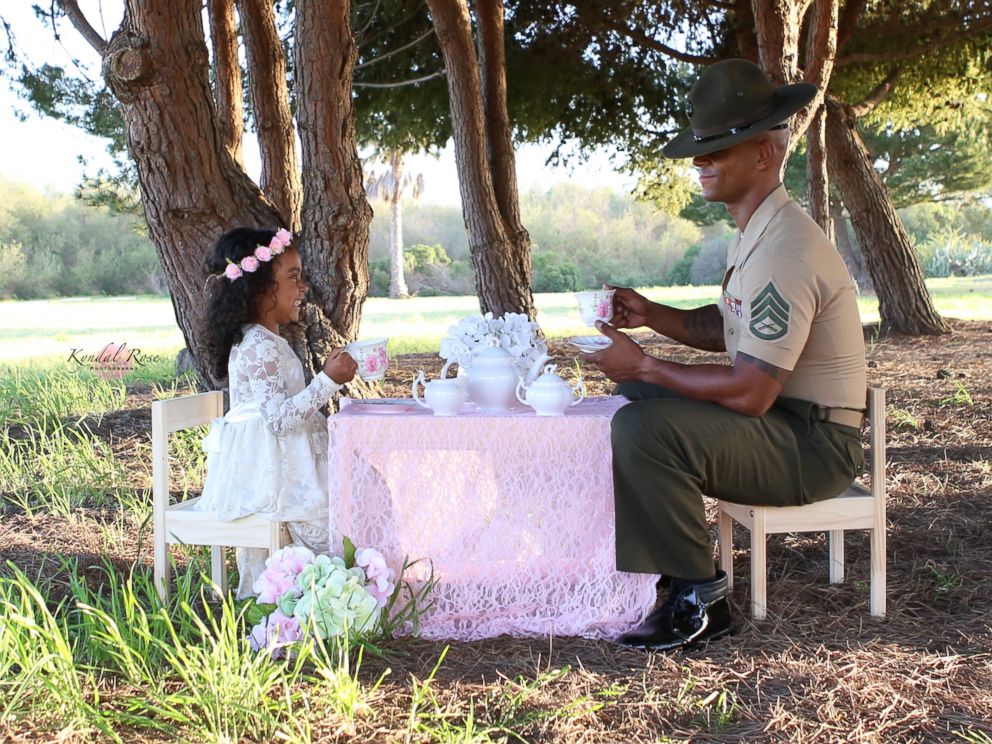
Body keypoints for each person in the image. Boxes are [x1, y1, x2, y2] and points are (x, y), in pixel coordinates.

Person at [586, 59, 867, 650]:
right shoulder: (761, 231)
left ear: (764, 155)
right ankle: (663, 566)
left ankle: (699, 600)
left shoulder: (784, 252)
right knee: (634, 400)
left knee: (643, 428)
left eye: (717, 151)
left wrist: (643, 363)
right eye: (700, 150)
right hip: (784, 422)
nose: (698, 163)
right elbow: (732, 328)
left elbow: (749, 389)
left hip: (812, 445)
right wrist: (653, 316)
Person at [197, 226, 358, 598]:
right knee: (331, 510)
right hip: (269, 467)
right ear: (259, 289)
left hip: (280, 454)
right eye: (293, 277)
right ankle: (317, 590)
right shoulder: (259, 345)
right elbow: (279, 420)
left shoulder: (267, 340)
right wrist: (327, 382)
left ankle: (330, 586)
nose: (302, 287)